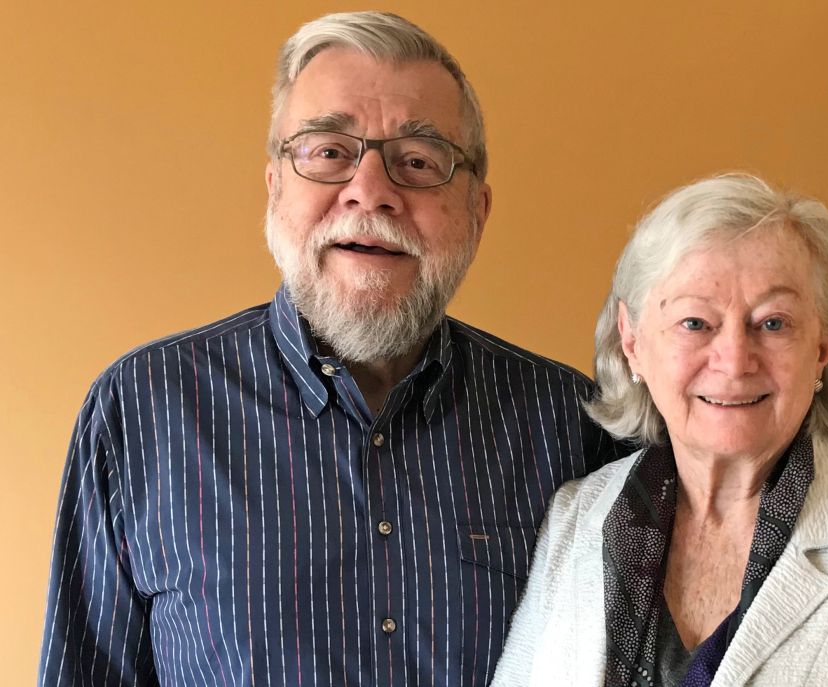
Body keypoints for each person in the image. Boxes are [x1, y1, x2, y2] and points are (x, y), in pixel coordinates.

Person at [38, 12, 622, 686]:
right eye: (327, 151)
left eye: (419, 161)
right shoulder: (141, 409)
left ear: (477, 212)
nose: (370, 190)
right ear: (275, 187)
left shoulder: (572, 423)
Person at [492, 174, 828, 686]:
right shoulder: (575, 516)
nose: (734, 362)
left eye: (773, 323)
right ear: (633, 342)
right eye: (695, 323)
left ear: (824, 346)